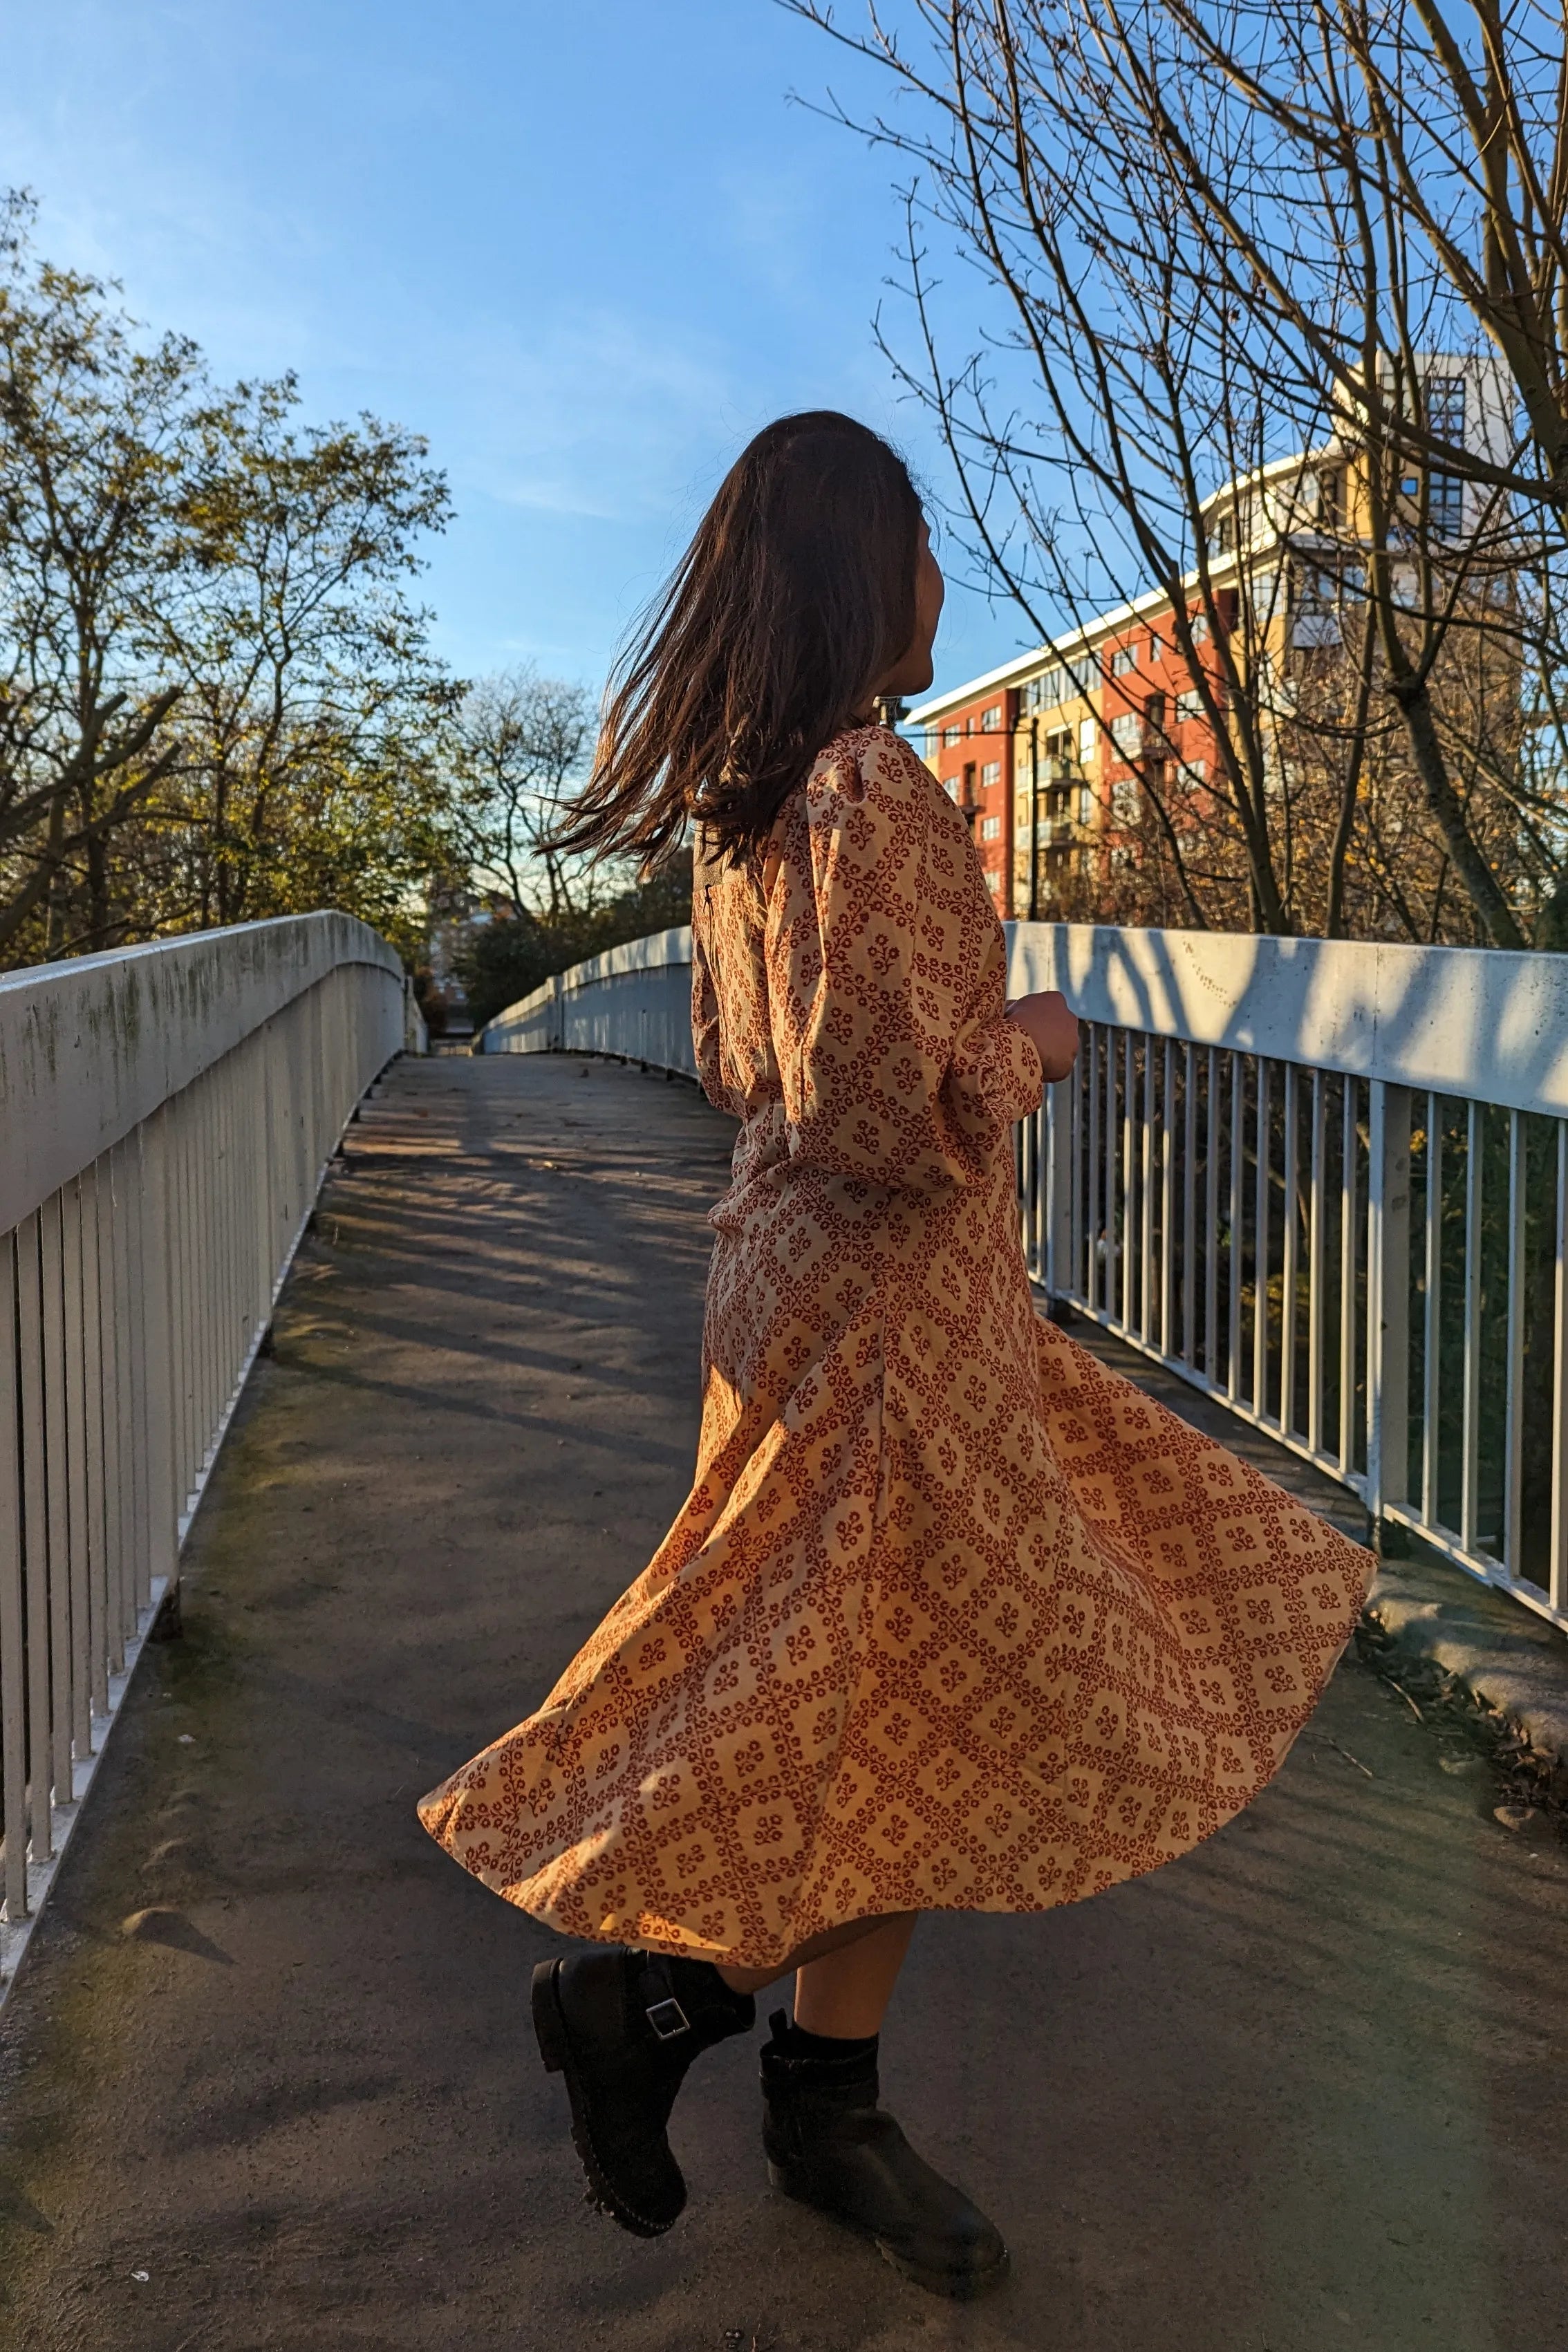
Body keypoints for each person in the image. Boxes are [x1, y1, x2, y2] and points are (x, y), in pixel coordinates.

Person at [418, 411, 1373, 2299]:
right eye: (923, 539)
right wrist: (1025, 1038)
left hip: (791, 1285)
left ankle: (811, 2082)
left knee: (899, 1682)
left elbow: (732, 1069)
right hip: (887, 1312)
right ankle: (672, 2009)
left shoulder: (744, 815)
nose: (944, 575)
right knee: (928, 1670)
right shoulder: (873, 786)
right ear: (868, 571)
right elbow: (879, 1108)